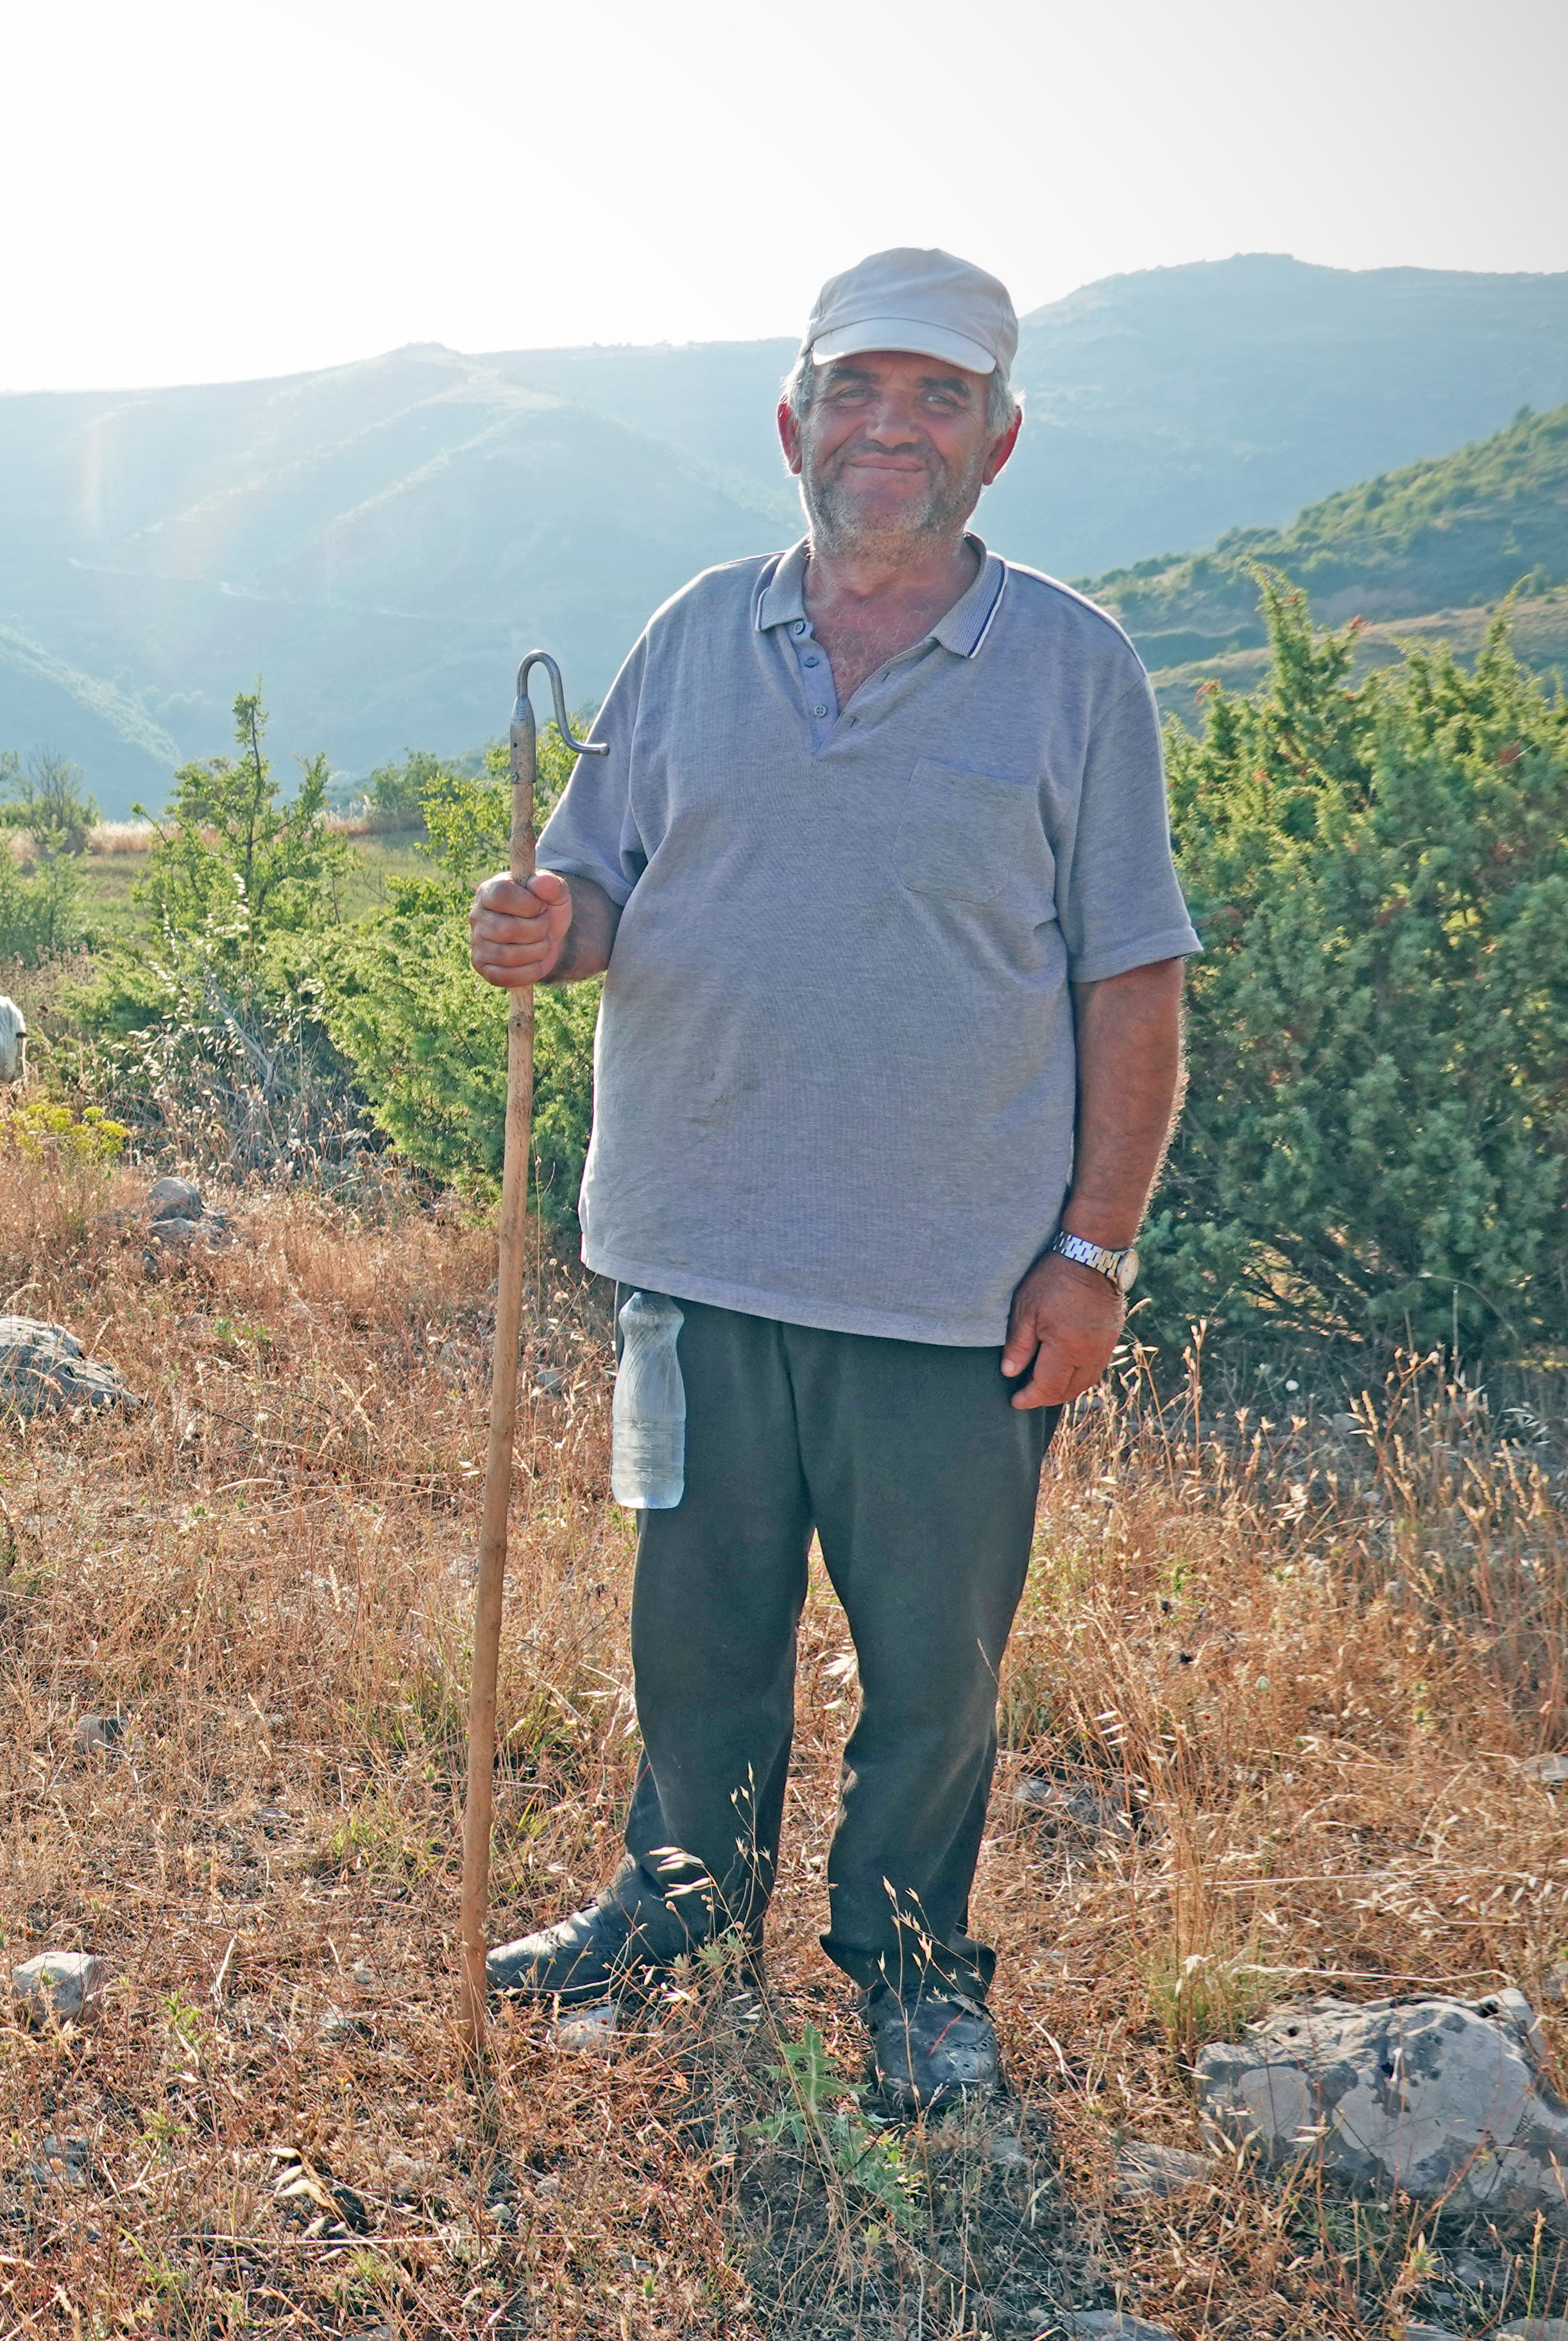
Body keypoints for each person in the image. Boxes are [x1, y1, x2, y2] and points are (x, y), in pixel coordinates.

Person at [464, 247, 1197, 2113]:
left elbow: (1135, 979)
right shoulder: (694, 632)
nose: (893, 429)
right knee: (696, 1622)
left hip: (953, 1286)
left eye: (939, 398)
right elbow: (603, 888)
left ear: (1001, 443)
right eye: (859, 393)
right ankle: (683, 1895)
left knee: (934, 1667)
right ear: (794, 424)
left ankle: (913, 1967)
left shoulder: (1077, 670)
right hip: (693, 1257)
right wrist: (549, 928)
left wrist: (1094, 1251)